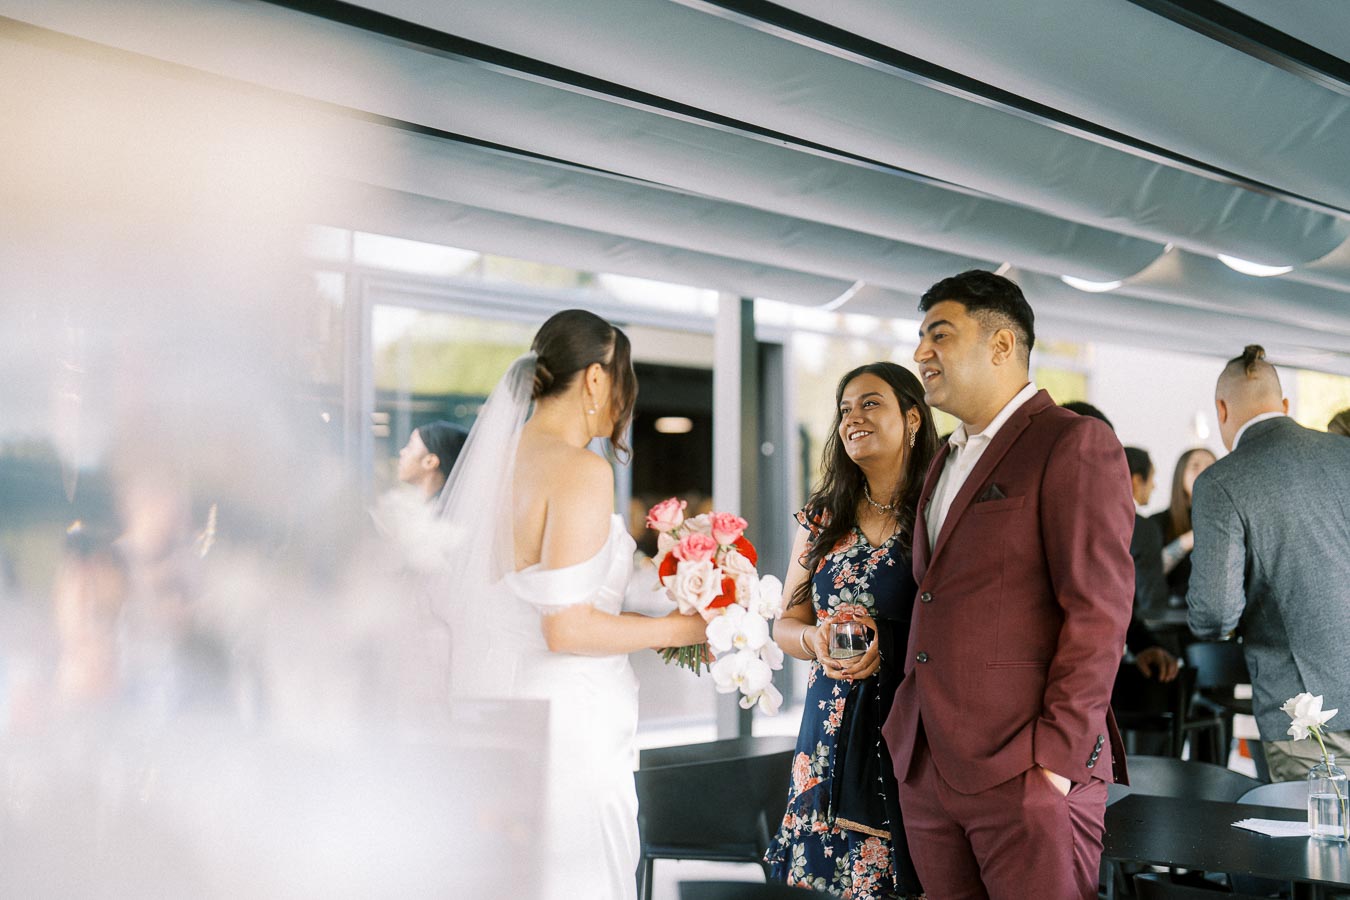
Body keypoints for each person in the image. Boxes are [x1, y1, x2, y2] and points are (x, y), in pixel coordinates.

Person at [436, 309, 707, 900]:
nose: (624, 400)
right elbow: (566, 627)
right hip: (567, 727)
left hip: (492, 714)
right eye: (624, 380)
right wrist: (680, 628)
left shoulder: (497, 466)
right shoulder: (580, 470)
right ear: (594, 380)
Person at [882, 270, 1134, 900]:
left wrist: (1054, 762)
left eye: (939, 335)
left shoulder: (1073, 442)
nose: (920, 354)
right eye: (919, 337)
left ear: (1001, 346)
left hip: (1025, 767)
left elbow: (1098, 612)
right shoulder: (943, 456)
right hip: (929, 764)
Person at [766, 362, 938, 900]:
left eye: (870, 404)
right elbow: (785, 624)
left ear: (912, 418)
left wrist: (889, 642)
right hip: (827, 730)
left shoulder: (939, 512)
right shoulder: (823, 517)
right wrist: (814, 641)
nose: (853, 419)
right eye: (844, 410)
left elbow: (960, 621)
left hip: (910, 727)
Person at [1187, 345, 1350, 782]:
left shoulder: (1221, 481)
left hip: (1305, 711)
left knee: (1315, 843)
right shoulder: (1344, 454)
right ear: (1285, 406)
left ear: (1222, 410)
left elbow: (1214, 612)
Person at [1112, 448, 1180, 745]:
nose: (1153, 486)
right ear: (1135, 480)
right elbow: (1152, 602)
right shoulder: (1142, 526)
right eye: (1151, 478)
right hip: (1140, 667)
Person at [1148, 447, 1216, 606]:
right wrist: (1185, 542)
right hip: (1170, 615)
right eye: (1195, 466)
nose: (1204, 471)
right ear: (1181, 474)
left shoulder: (1229, 519)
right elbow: (1148, 573)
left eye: (1211, 466)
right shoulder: (1157, 522)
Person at [396, 420, 468, 501]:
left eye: (410, 447)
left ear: (431, 462)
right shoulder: (444, 505)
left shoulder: (443, 510)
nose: (402, 452)